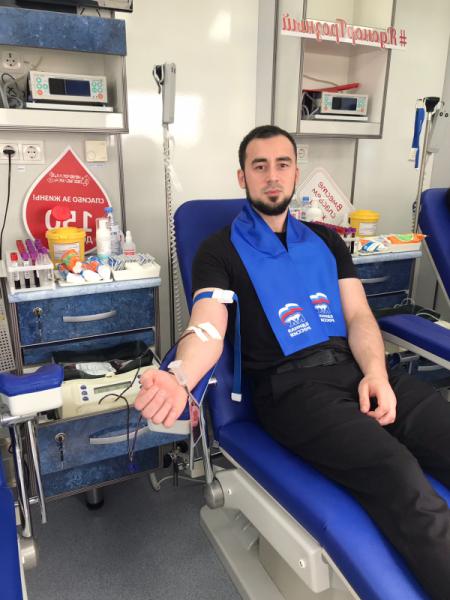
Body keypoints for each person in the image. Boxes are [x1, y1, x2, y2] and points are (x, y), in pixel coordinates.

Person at [135, 125, 450, 600]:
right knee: (398, 474)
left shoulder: (327, 241)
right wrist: (180, 376)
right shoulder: (218, 250)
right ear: (242, 177)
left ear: (295, 173)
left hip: (358, 370)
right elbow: (207, 327)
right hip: (292, 391)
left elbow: (359, 316)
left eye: (282, 164)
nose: (272, 175)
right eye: (259, 166)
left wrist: (376, 374)